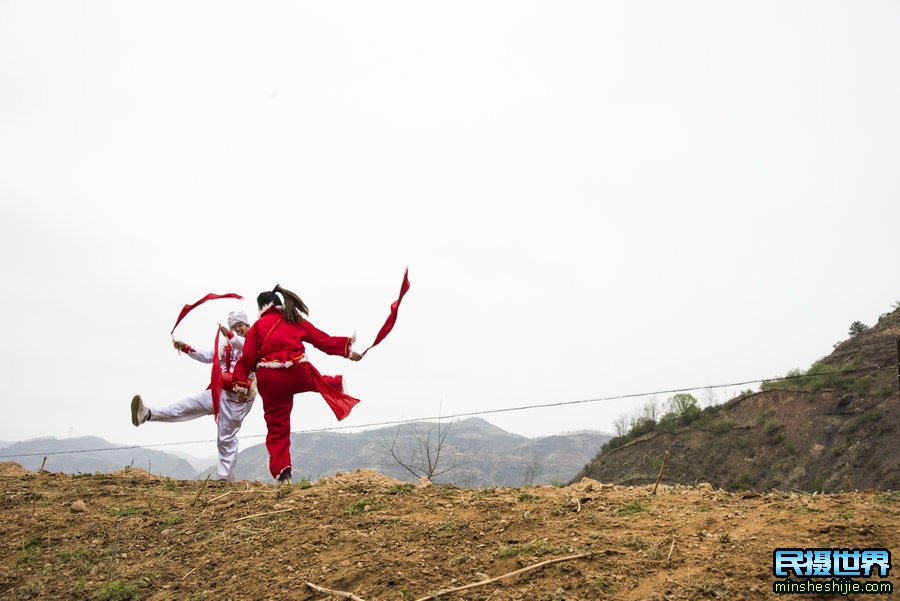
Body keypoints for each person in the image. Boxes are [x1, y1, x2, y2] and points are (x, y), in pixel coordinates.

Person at [232, 285, 361, 483]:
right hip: (297, 370)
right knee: (316, 380)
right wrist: (348, 351)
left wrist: (241, 385)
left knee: (277, 426)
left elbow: (247, 359)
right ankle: (334, 384)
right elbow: (322, 340)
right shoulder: (295, 319)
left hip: (271, 378)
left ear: (261, 308)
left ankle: (283, 471)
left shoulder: (257, 327)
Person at [130, 310, 256, 481]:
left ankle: (225, 479)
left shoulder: (255, 344)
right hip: (219, 391)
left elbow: (250, 354)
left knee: (225, 438)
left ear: (248, 326)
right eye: (234, 326)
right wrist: (186, 348)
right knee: (185, 405)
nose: (237, 329)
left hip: (238, 400)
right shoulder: (225, 347)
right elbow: (207, 356)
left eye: (240, 325)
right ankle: (146, 413)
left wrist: (251, 389)